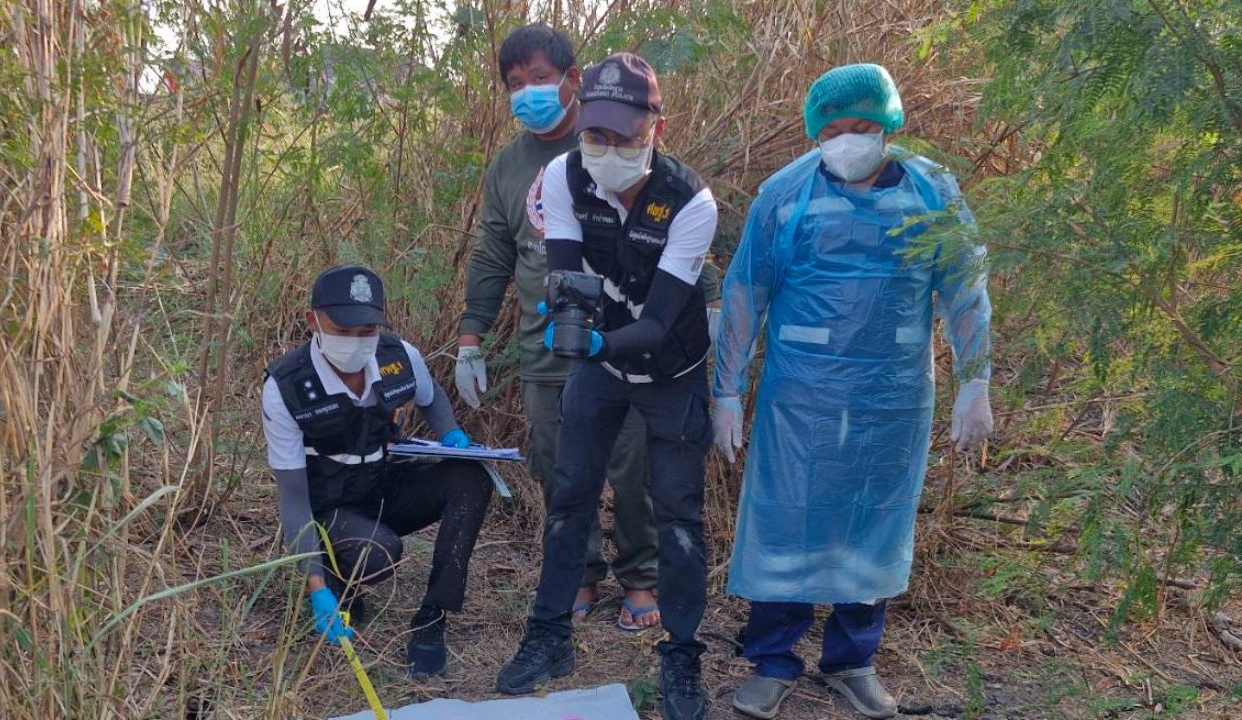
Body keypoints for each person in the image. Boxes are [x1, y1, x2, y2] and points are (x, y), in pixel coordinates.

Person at [711, 64, 994, 720]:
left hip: (891, 395)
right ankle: (774, 659)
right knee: (787, 518)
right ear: (815, 133)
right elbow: (747, 292)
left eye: (862, 128)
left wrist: (974, 380)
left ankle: (851, 660)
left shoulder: (931, 192)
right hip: (800, 396)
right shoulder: (785, 195)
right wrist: (727, 389)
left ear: (888, 125)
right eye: (832, 130)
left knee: (875, 517)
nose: (848, 141)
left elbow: (964, 287)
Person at [456, 24, 720, 632]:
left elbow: (664, 260)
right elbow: (495, 251)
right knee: (559, 465)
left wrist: (701, 310)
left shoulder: (651, 171)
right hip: (545, 340)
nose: (528, 93)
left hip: (632, 344)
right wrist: (472, 335)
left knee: (633, 465)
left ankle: (641, 576)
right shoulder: (511, 166)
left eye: (541, 79)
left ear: (573, 81)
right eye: (515, 84)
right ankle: (579, 571)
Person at [262, 265, 491, 679]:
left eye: (367, 329)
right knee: (378, 555)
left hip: (385, 484)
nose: (356, 342)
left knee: (470, 477)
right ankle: (337, 581)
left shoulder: (397, 356)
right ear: (313, 320)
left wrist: (452, 433)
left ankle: (432, 617)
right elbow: (293, 498)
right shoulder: (288, 387)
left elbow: (430, 394)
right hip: (332, 506)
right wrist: (315, 588)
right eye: (343, 330)